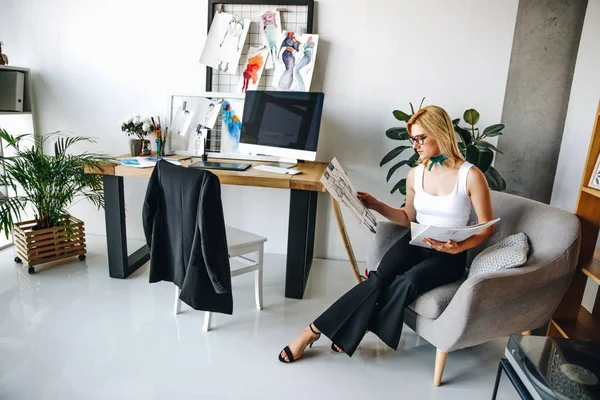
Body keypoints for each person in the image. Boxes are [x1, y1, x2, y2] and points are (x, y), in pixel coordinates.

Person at [278, 105, 495, 363]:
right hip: (416, 240)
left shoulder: (471, 176)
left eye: (420, 138)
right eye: (413, 139)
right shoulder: (415, 174)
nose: (415, 145)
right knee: (378, 278)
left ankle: (346, 327)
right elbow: (408, 218)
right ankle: (312, 331)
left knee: (409, 281)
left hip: (448, 255)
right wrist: (376, 205)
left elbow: (487, 226)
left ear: (441, 132)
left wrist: (459, 247)